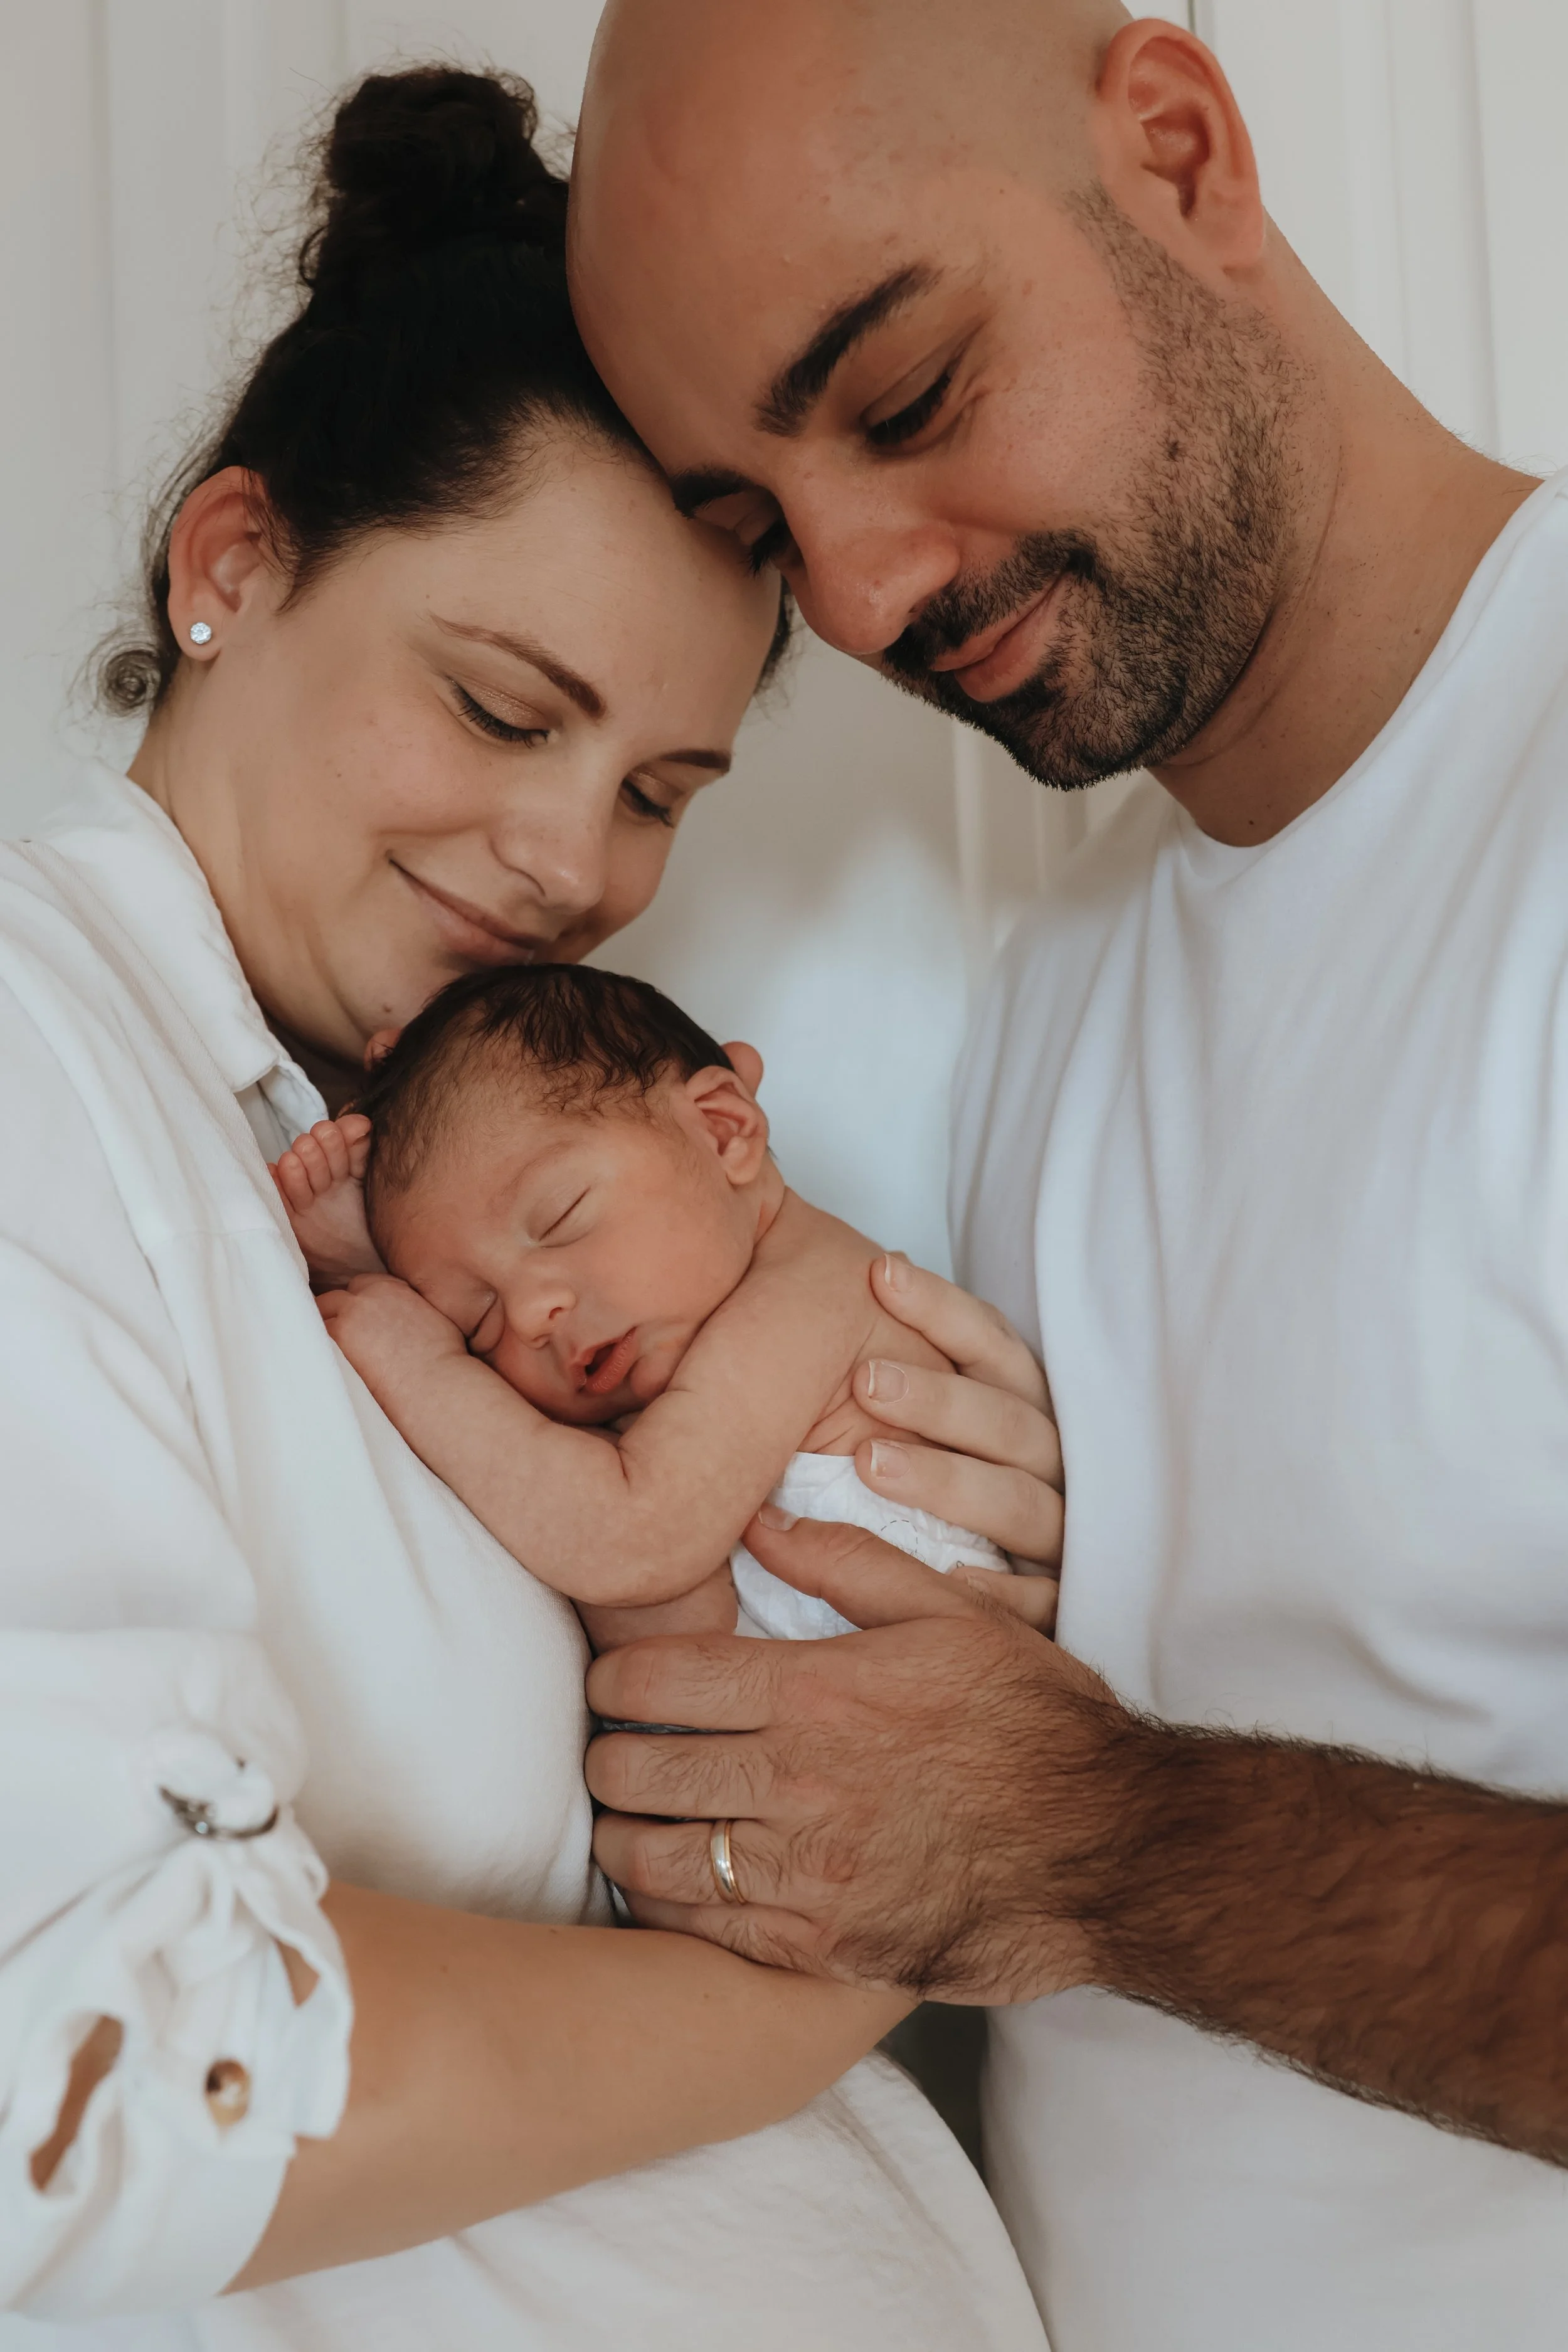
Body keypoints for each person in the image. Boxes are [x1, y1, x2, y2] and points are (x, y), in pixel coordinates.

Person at [0, 63, 1055, 2349]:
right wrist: (845, 1964)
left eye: (661, 783)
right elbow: (82, 2072)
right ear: (231, 566)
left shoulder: (399, 1153)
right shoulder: (35, 1054)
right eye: (499, 708)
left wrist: (890, 1525)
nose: (581, 864)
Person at [567, 4, 1568, 2346]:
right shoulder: (1058, 971)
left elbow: (1059, 1832)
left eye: (904, 398)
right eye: (753, 525)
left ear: (1181, 149)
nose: (854, 592)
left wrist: (1093, 1836)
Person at [272, 959, 1029, 1645]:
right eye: (479, 1321)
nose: (531, 1317)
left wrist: (426, 1367)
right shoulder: (668, 1346)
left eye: (560, 1218)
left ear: (722, 1131)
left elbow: (625, 1538)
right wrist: (378, 1278)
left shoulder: (817, 1294)